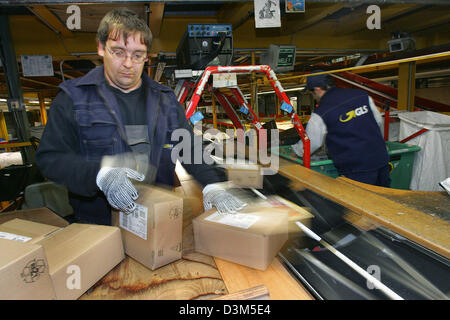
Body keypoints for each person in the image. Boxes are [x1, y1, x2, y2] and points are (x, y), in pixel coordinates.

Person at [35, 8, 245, 225]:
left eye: (137, 55)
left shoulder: (165, 99)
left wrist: (212, 184)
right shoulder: (73, 98)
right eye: (118, 52)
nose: (128, 64)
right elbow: (50, 158)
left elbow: (188, 148)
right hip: (98, 223)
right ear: (101, 48)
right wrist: (99, 174)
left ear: (147, 55)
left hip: (156, 217)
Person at [292, 70, 390, 187]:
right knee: (384, 199)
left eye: (312, 94)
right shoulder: (361, 95)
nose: (314, 98)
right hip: (380, 158)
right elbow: (378, 121)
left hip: (356, 168)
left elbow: (310, 142)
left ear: (317, 89)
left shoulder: (321, 112)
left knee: (359, 202)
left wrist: (295, 153)